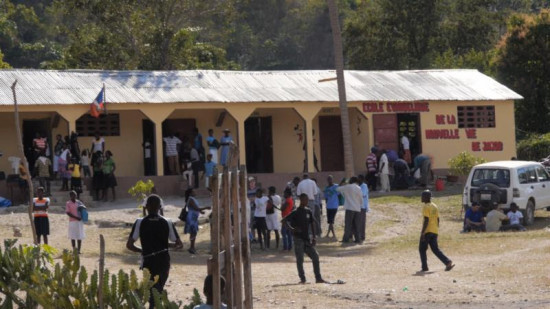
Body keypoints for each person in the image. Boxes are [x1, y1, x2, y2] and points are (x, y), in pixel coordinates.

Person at [127, 194, 183, 309]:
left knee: (151, 289)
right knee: (158, 289)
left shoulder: (139, 222)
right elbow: (179, 244)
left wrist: (143, 250)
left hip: (148, 261)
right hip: (163, 261)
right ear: (160, 207)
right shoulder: (167, 222)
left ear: (146, 207)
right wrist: (164, 246)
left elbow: (129, 245)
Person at [282, 193, 326, 284]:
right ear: (301, 200)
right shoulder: (296, 212)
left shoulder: (308, 211)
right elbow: (284, 221)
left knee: (315, 256)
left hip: (307, 239)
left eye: (307, 199)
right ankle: (302, 279)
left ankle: (318, 278)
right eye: (305, 200)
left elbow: (312, 223)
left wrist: (314, 237)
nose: (306, 201)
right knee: (300, 260)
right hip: (298, 239)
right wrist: (292, 229)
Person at [419, 190, 454, 272]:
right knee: (435, 249)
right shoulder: (434, 206)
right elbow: (438, 219)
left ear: (427, 197)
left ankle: (424, 267)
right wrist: (436, 228)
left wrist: (423, 232)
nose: (421, 198)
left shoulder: (426, 207)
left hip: (427, 231)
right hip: (434, 231)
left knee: (422, 249)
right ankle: (447, 262)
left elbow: (426, 220)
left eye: (422, 196)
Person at [184, 188, 211, 254]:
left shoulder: (192, 199)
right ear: (190, 193)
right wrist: (206, 207)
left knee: (193, 232)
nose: (195, 192)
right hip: (191, 218)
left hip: (193, 217)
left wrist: (201, 211)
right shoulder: (191, 199)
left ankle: (192, 247)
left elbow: (195, 208)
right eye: (193, 191)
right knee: (193, 232)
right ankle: (192, 247)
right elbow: (196, 208)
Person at [337, 177, 363, 244]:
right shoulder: (358, 188)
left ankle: (346, 239)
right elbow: (361, 199)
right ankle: (358, 239)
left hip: (349, 208)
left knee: (348, 224)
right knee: (357, 225)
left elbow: (337, 189)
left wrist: (342, 182)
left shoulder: (347, 187)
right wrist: (360, 205)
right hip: (357, 208)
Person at [357, 175, 370, 242]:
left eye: (358, 178)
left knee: (362, 222)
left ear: (361, 179)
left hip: (362, 206)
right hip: (358, 206)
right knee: (358, 222)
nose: (357, 179)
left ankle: (362, 236)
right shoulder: (358, 186)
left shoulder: (364, 186)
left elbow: (363, 194)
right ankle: (359, 235)